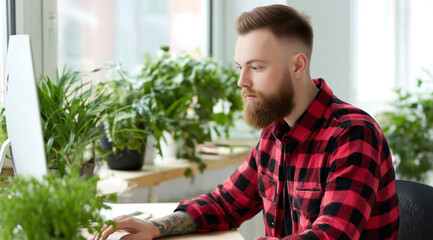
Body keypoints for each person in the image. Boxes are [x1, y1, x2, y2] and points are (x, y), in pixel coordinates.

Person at [92, 4, 399, 240]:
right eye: (241, 67)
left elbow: (331, 236)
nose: (242, 81)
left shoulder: (352, 135)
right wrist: (155, 228)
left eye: (256, 67)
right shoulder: (275, 134)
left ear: (297, 65)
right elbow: (227, 203)